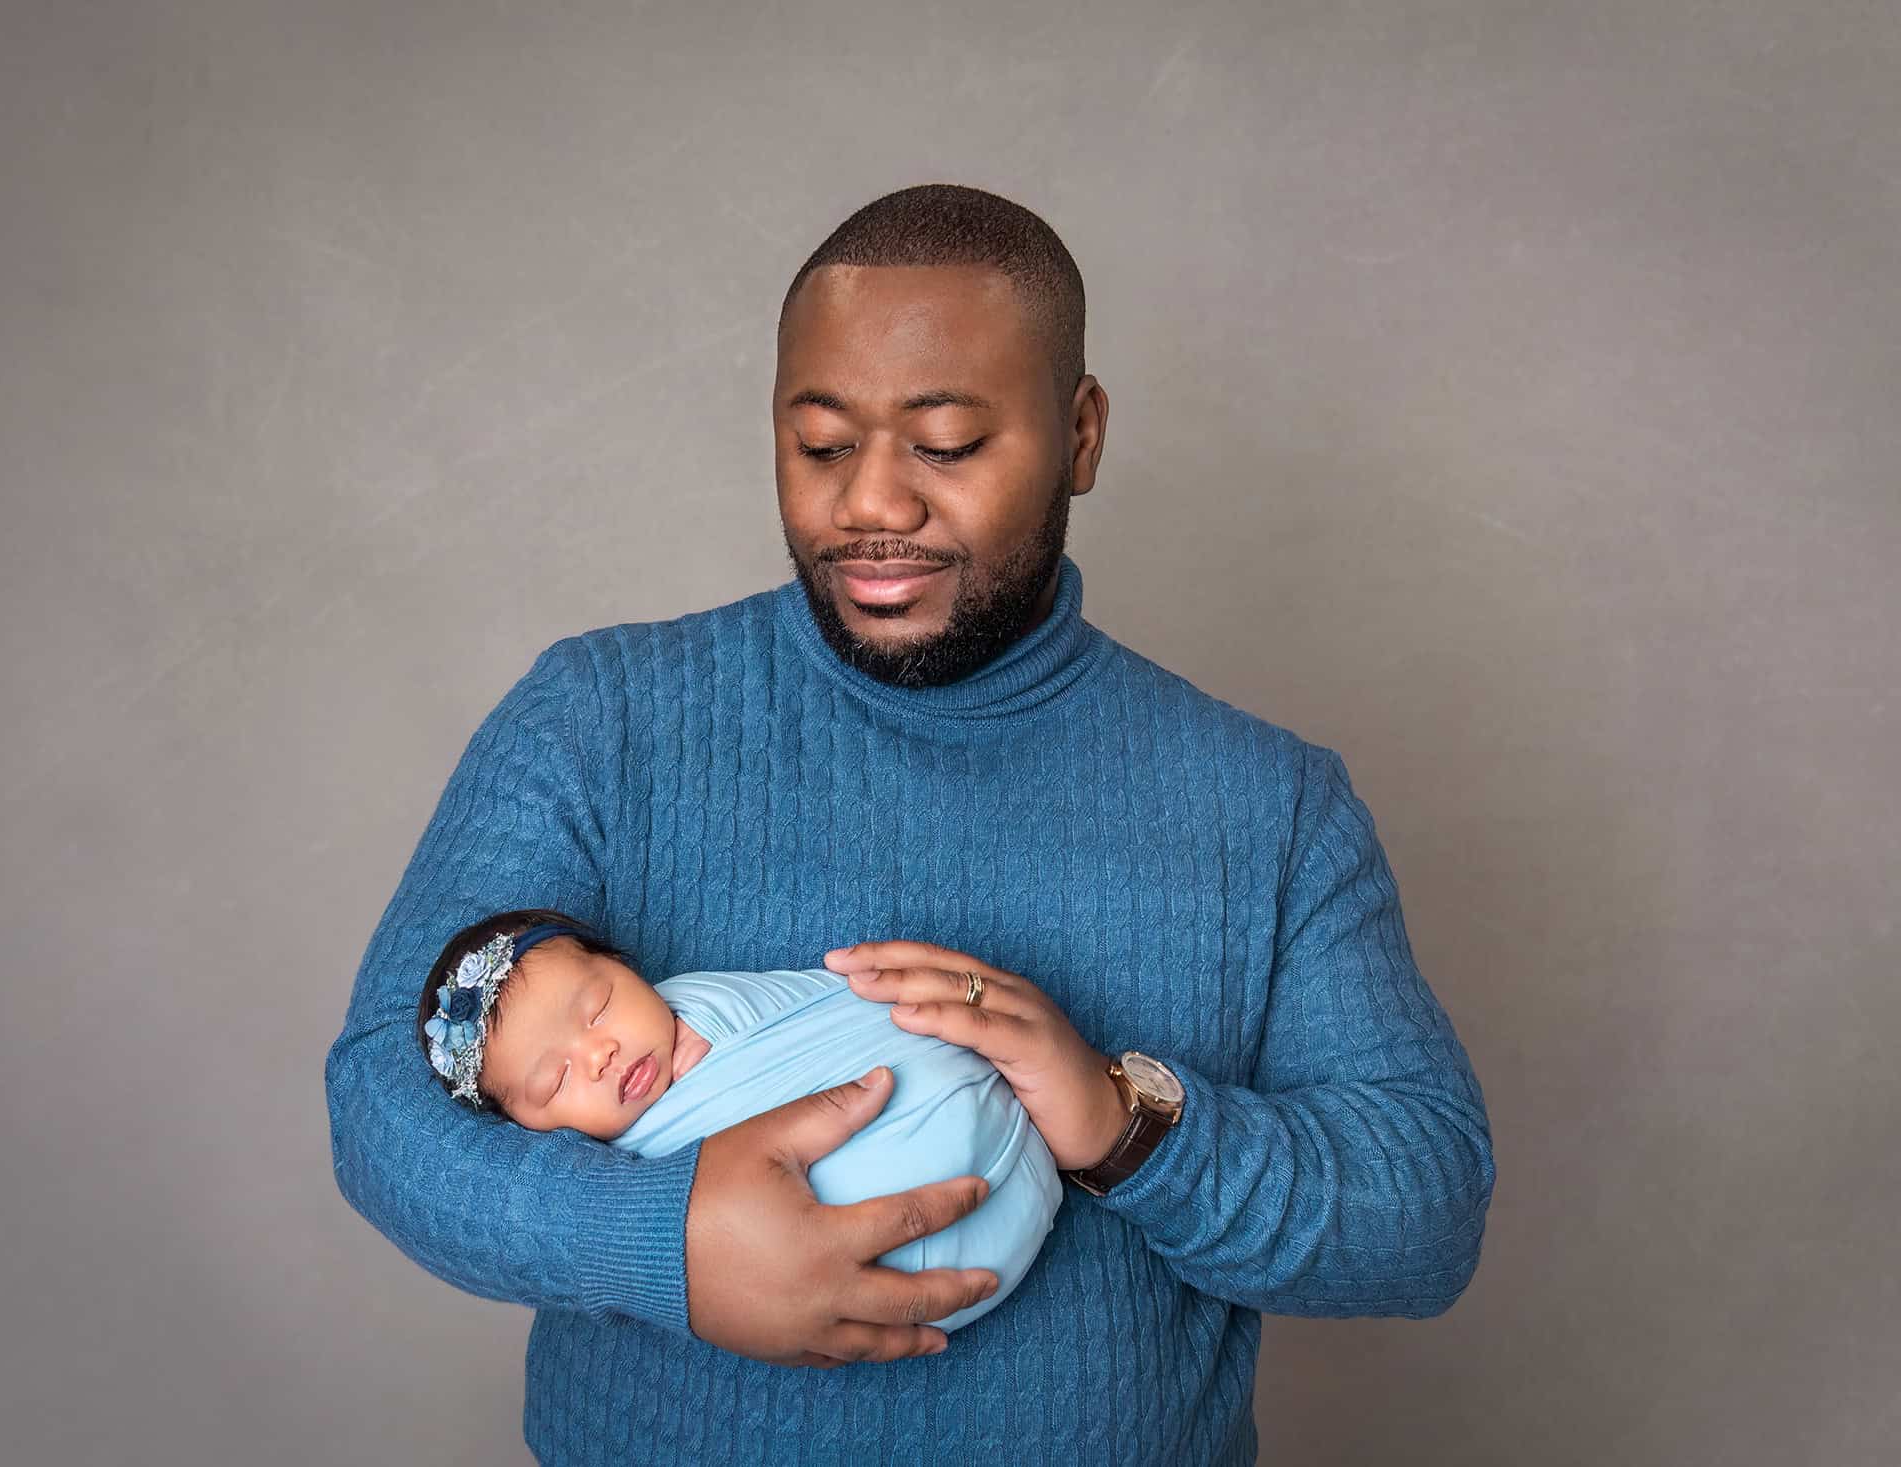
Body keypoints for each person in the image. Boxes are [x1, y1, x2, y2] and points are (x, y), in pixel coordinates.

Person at [325, 182, 1496, 1466]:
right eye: (821, 446)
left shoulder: (1266, 807)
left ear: (1081, 435)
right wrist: (665, 1246)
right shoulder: (603, 718)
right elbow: (387, 1093)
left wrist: (1123, 1125)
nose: (871, 504)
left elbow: (1423, 1217)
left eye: (944, 445)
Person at [412, 907, 1062, 1332]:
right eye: (555, 1079)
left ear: (622, 964)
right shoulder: (617, 1169)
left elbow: (822, 1000)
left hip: (1012, 1123)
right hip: (932, 1263)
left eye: (599, 1006)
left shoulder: (695, 998)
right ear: (530, 1131)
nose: (600, 1053)